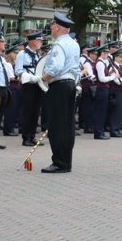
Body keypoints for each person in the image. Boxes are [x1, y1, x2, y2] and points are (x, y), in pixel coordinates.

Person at [40, 12, 79, 173]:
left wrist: (43, 78)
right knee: (68, 125)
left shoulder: (59, 45)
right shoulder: (74, 44)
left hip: (59, 85)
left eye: (52, 25)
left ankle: (59, 162)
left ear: (57, 27)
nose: (51, 28)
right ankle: (66, 161)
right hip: (70, 84)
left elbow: (55, 67)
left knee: (56, 125)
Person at [15, 30, 44, 146]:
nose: (41, 42)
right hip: (28, 85)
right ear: (32, 41)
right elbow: (18, 71)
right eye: (39, 40)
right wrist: (31, 77)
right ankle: (26, 138)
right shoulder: (22, 54)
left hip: (37, 85)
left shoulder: (37, 54)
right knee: (28, 112)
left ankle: (32, 136)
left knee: (35, 112)